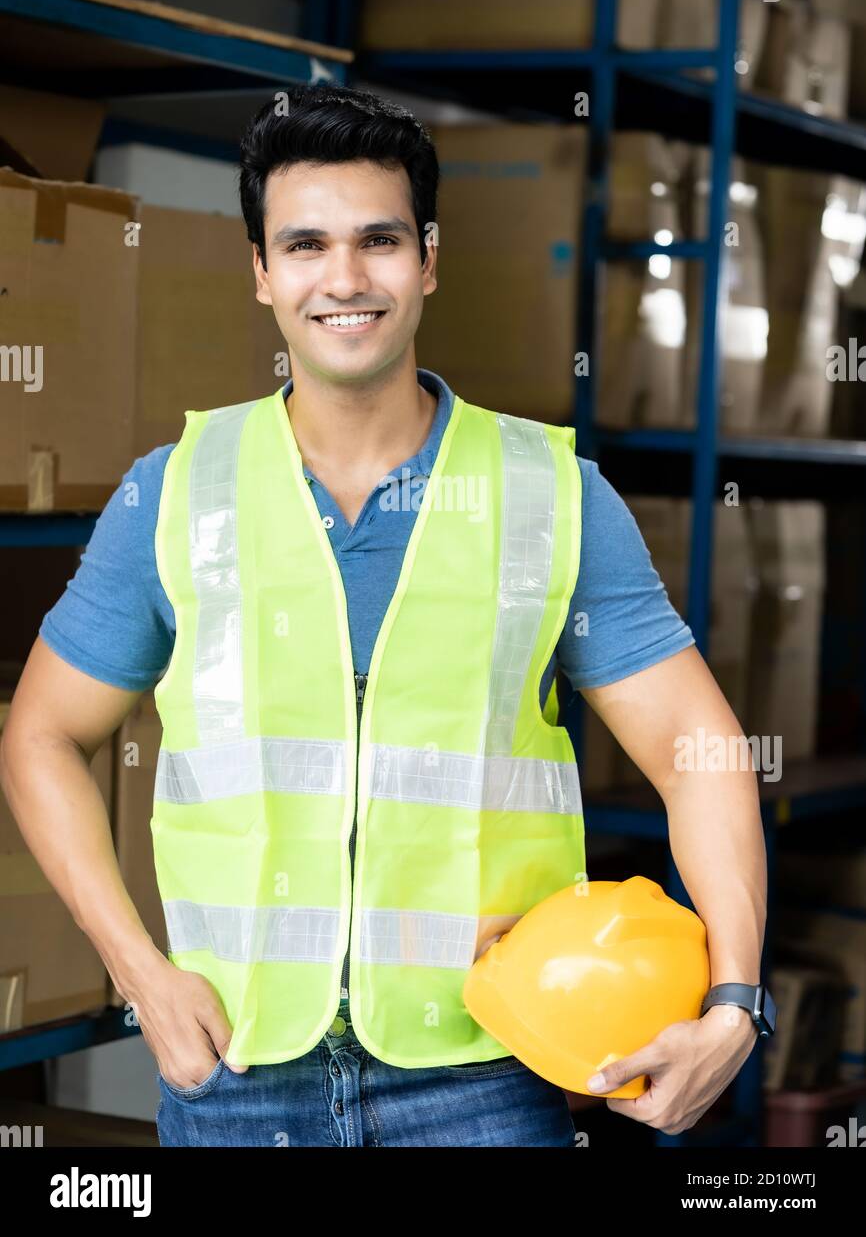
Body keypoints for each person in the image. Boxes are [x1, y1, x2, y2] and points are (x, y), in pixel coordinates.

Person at [0, 83, 764, 1148]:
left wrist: (732, 1002)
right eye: (304, 244)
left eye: (379, 240)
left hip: (484, 1079)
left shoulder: (547, 494)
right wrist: (139, 974)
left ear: (429, 259)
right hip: (235, 1072)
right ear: (260, 272)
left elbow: (697, 750)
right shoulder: (176, 493)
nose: (345, 278)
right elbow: (41, 735)